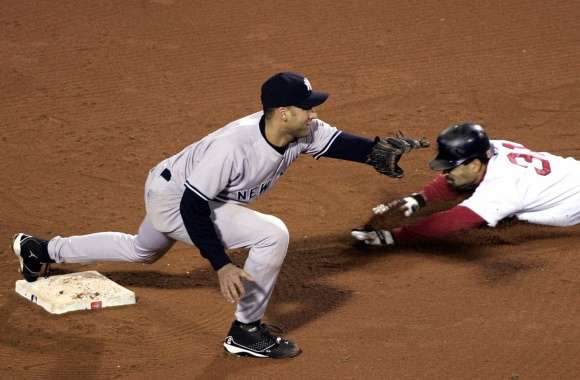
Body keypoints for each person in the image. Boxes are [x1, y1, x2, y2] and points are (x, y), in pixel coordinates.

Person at [12, 71, 427, 359]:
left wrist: (373, 153)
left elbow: (338, 143)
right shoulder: (235, 147)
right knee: (272, 234)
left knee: (142, 251)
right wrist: (222, 264)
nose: (315, 113)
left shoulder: (300, 130)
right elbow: (193, 207)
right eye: (308, 107)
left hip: (183, 189)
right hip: (176, 198)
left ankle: (40, 249)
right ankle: (246, 332)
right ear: (283, 112)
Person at [351, 123, 580, 248]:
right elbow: (452, 182)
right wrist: (419, 199)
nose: (445, 172)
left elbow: (452, 223)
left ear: (475, 164)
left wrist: (394, 236)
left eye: (451, 167)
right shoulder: (493, 148)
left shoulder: (502, 188)